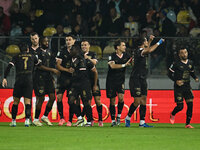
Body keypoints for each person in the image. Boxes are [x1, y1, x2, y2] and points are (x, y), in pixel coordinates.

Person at [125, 35, 164, 127]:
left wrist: (150, 41)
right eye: (146, 41)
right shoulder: (139, 51)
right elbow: (149, 50)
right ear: (142, 43)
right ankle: (128, 117)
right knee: (137, 101)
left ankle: (142, 122)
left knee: (143, 100)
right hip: (136, 78)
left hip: (142, 78)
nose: (147, 42)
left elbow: (146, 49)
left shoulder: (140, 50)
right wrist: (159, 43)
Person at [2, 43, 41, 127]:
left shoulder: (16, 56)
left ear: (20, 50)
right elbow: (39, 65)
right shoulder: (32, 56)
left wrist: (5, 77)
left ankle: (13, 121)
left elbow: (9, 66)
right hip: (28, 80)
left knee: (16, 102)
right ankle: (27, 121)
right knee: (27, 102)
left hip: (19, 79)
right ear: (27, 49)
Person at [32, 37, 60, 126]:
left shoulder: (49, 52)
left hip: (48, 77)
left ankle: (45, 116)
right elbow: (39, 66)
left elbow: (52, 63)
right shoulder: (37, 52)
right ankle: (36, 119)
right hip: (39, 78)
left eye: (47, 41)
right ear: (41, 42)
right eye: (45, 41)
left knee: (52, 97)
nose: (47, 43)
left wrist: (52, 75)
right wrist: (52, 70)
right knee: (41, 98)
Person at [168, 48, 198, 128]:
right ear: (179, 55)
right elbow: (169, 74)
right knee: (180, 107)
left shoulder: (191, 62)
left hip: (187, 86)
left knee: (190, 105)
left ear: (187, 53)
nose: (184, 54)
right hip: (179, 87)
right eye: (182, 53)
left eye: (185, 52)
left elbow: (191, 72)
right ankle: (173, 113)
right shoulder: (175, 64)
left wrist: (195, 77)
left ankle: (187, 124)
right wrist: (176, 81)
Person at [68, 45, 98, 127]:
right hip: (74, 84)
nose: (70, 51)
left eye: (72, 50)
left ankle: (89, 120)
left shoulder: (85, 60)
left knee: (86, 102)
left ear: (77, 50)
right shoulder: (71, 60)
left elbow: (95, 71)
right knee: (70, 100)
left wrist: (95, 85)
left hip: (85, 84)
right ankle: (80, 117)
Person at [106, 39, 132, 127]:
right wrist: (124, 65)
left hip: (121, 80)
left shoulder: (127, 55)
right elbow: (112, 66)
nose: (125, 47)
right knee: (112, 100)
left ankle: (119, 116)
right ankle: (113, 120)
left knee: (121, 98)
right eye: (123, 45)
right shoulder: (112, 56)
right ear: (118, 47)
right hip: (111, 81)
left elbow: (132, 62)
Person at [81, 40, 103, 126]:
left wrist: (88, 58)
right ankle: (90, 120)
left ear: (89, 46)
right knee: (88, 101)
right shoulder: (79, 55)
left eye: (85, 45)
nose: (84, 46)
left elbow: (95, 62)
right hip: (84, 81)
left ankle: (100, 120)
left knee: (97, 100)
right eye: (82, 45)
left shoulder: (93, 54)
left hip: (94, 80)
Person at [56, 34, 75, 126]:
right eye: (67, 40)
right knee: (59, 97)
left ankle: (70, 120)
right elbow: (58, 65)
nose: (68, 41)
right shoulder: (61, 51)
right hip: (62, 78)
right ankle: (62, 118)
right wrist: (67, 70)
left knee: (71, 100)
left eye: (70, 39)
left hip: (73, 79)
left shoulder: (76, 51)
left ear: (74, 41)